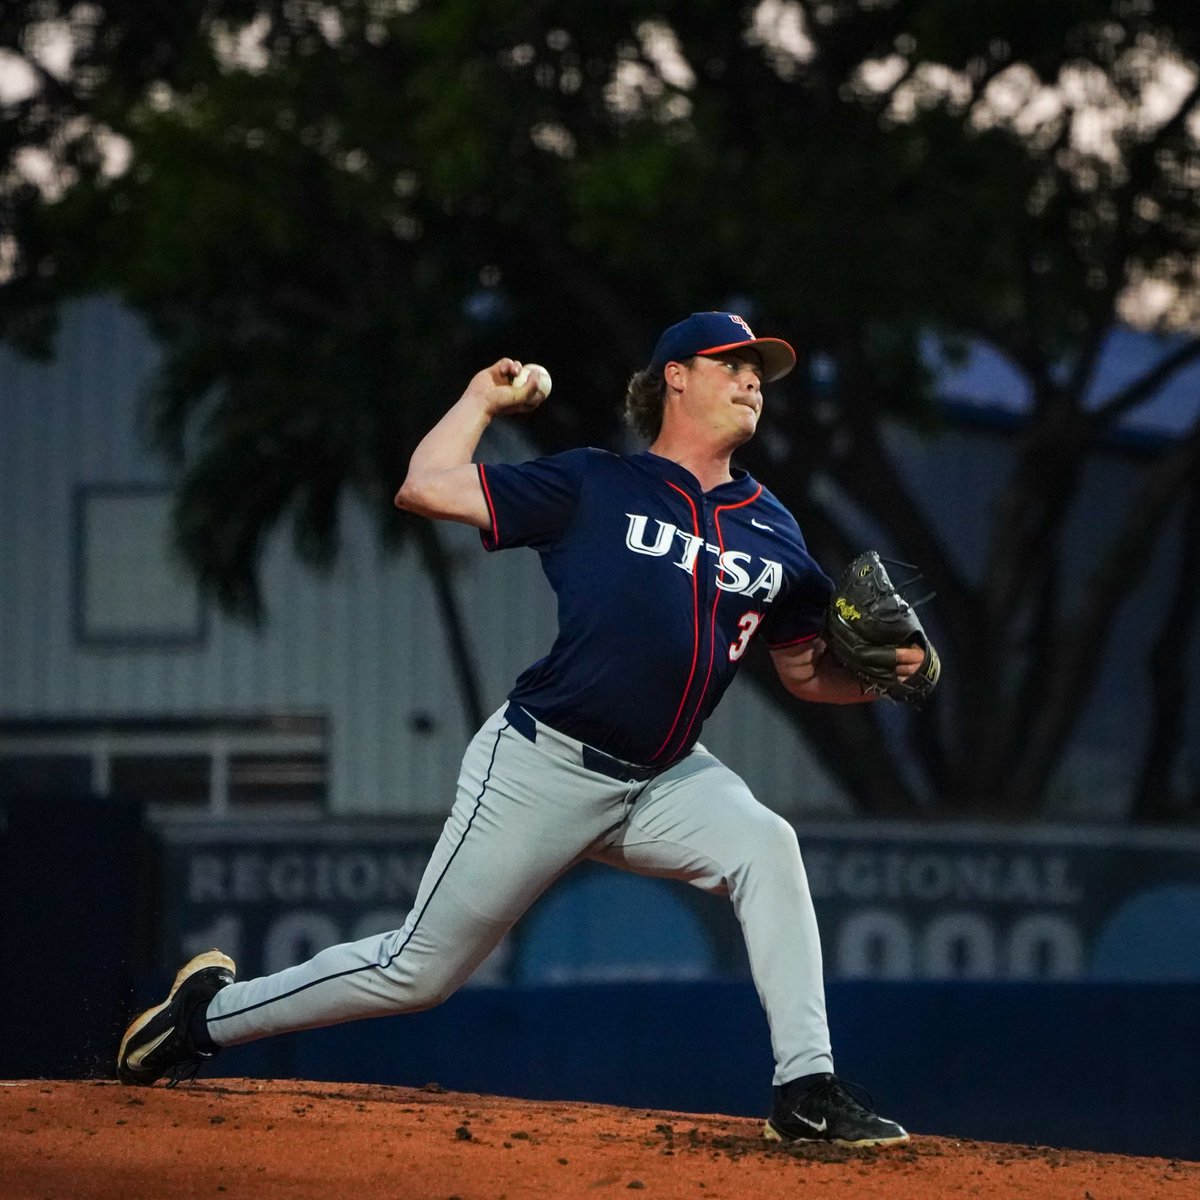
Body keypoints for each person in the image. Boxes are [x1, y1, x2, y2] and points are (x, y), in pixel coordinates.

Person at [117, 312, 926, 1147]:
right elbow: (425, 485)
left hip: (668, 776)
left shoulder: (776, 529)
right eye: (732, 364)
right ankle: (205, 1017)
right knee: (415, 973)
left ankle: (807, 1091)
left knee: (769, 844)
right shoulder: (596, 484)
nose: (753, 380)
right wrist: (477, 401)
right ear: (674, 378)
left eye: (760, 370)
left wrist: (885, 679)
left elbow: (806, 674)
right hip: (543, 767)